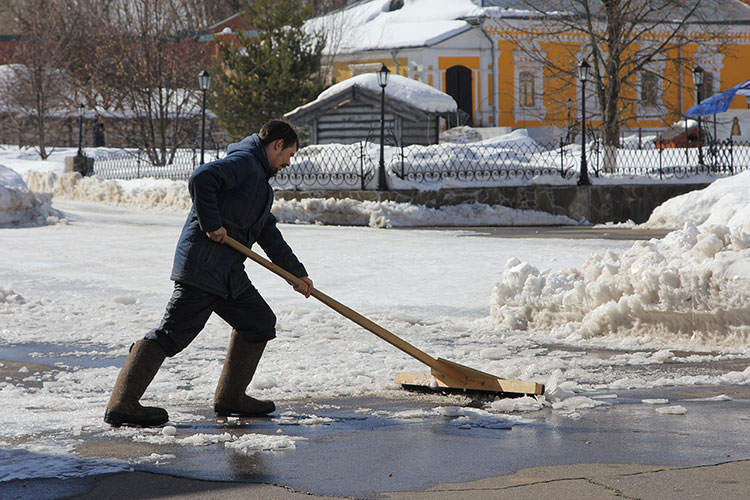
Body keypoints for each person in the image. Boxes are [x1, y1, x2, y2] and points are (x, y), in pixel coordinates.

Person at [104, 120, 313, 427]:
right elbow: (202, 178)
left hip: (228, 273)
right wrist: (210, 223)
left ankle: (231, 398)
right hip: (203, 265)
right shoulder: (244, 162)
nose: (288, 162)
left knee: (258, 322)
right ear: (277, 145)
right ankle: (123, 403)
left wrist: (295, 274)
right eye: (288, 154)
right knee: (172, 332)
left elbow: (268, 233)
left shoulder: (259, 183)